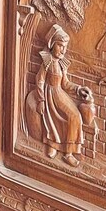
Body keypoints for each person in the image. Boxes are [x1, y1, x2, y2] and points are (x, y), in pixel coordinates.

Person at [25, 24, 85, 166]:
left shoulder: (62, 64)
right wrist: (41, 100)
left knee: (75, 116)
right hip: (49, 93)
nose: (63, 50)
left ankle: (68, 152)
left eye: (65, 47)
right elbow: (39, 80)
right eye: (60, 46)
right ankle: (52, 145)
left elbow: (65, 84)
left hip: (59, 92)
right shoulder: (47, 61)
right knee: (52, 117)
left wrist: (78, 89)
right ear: (52, 45)